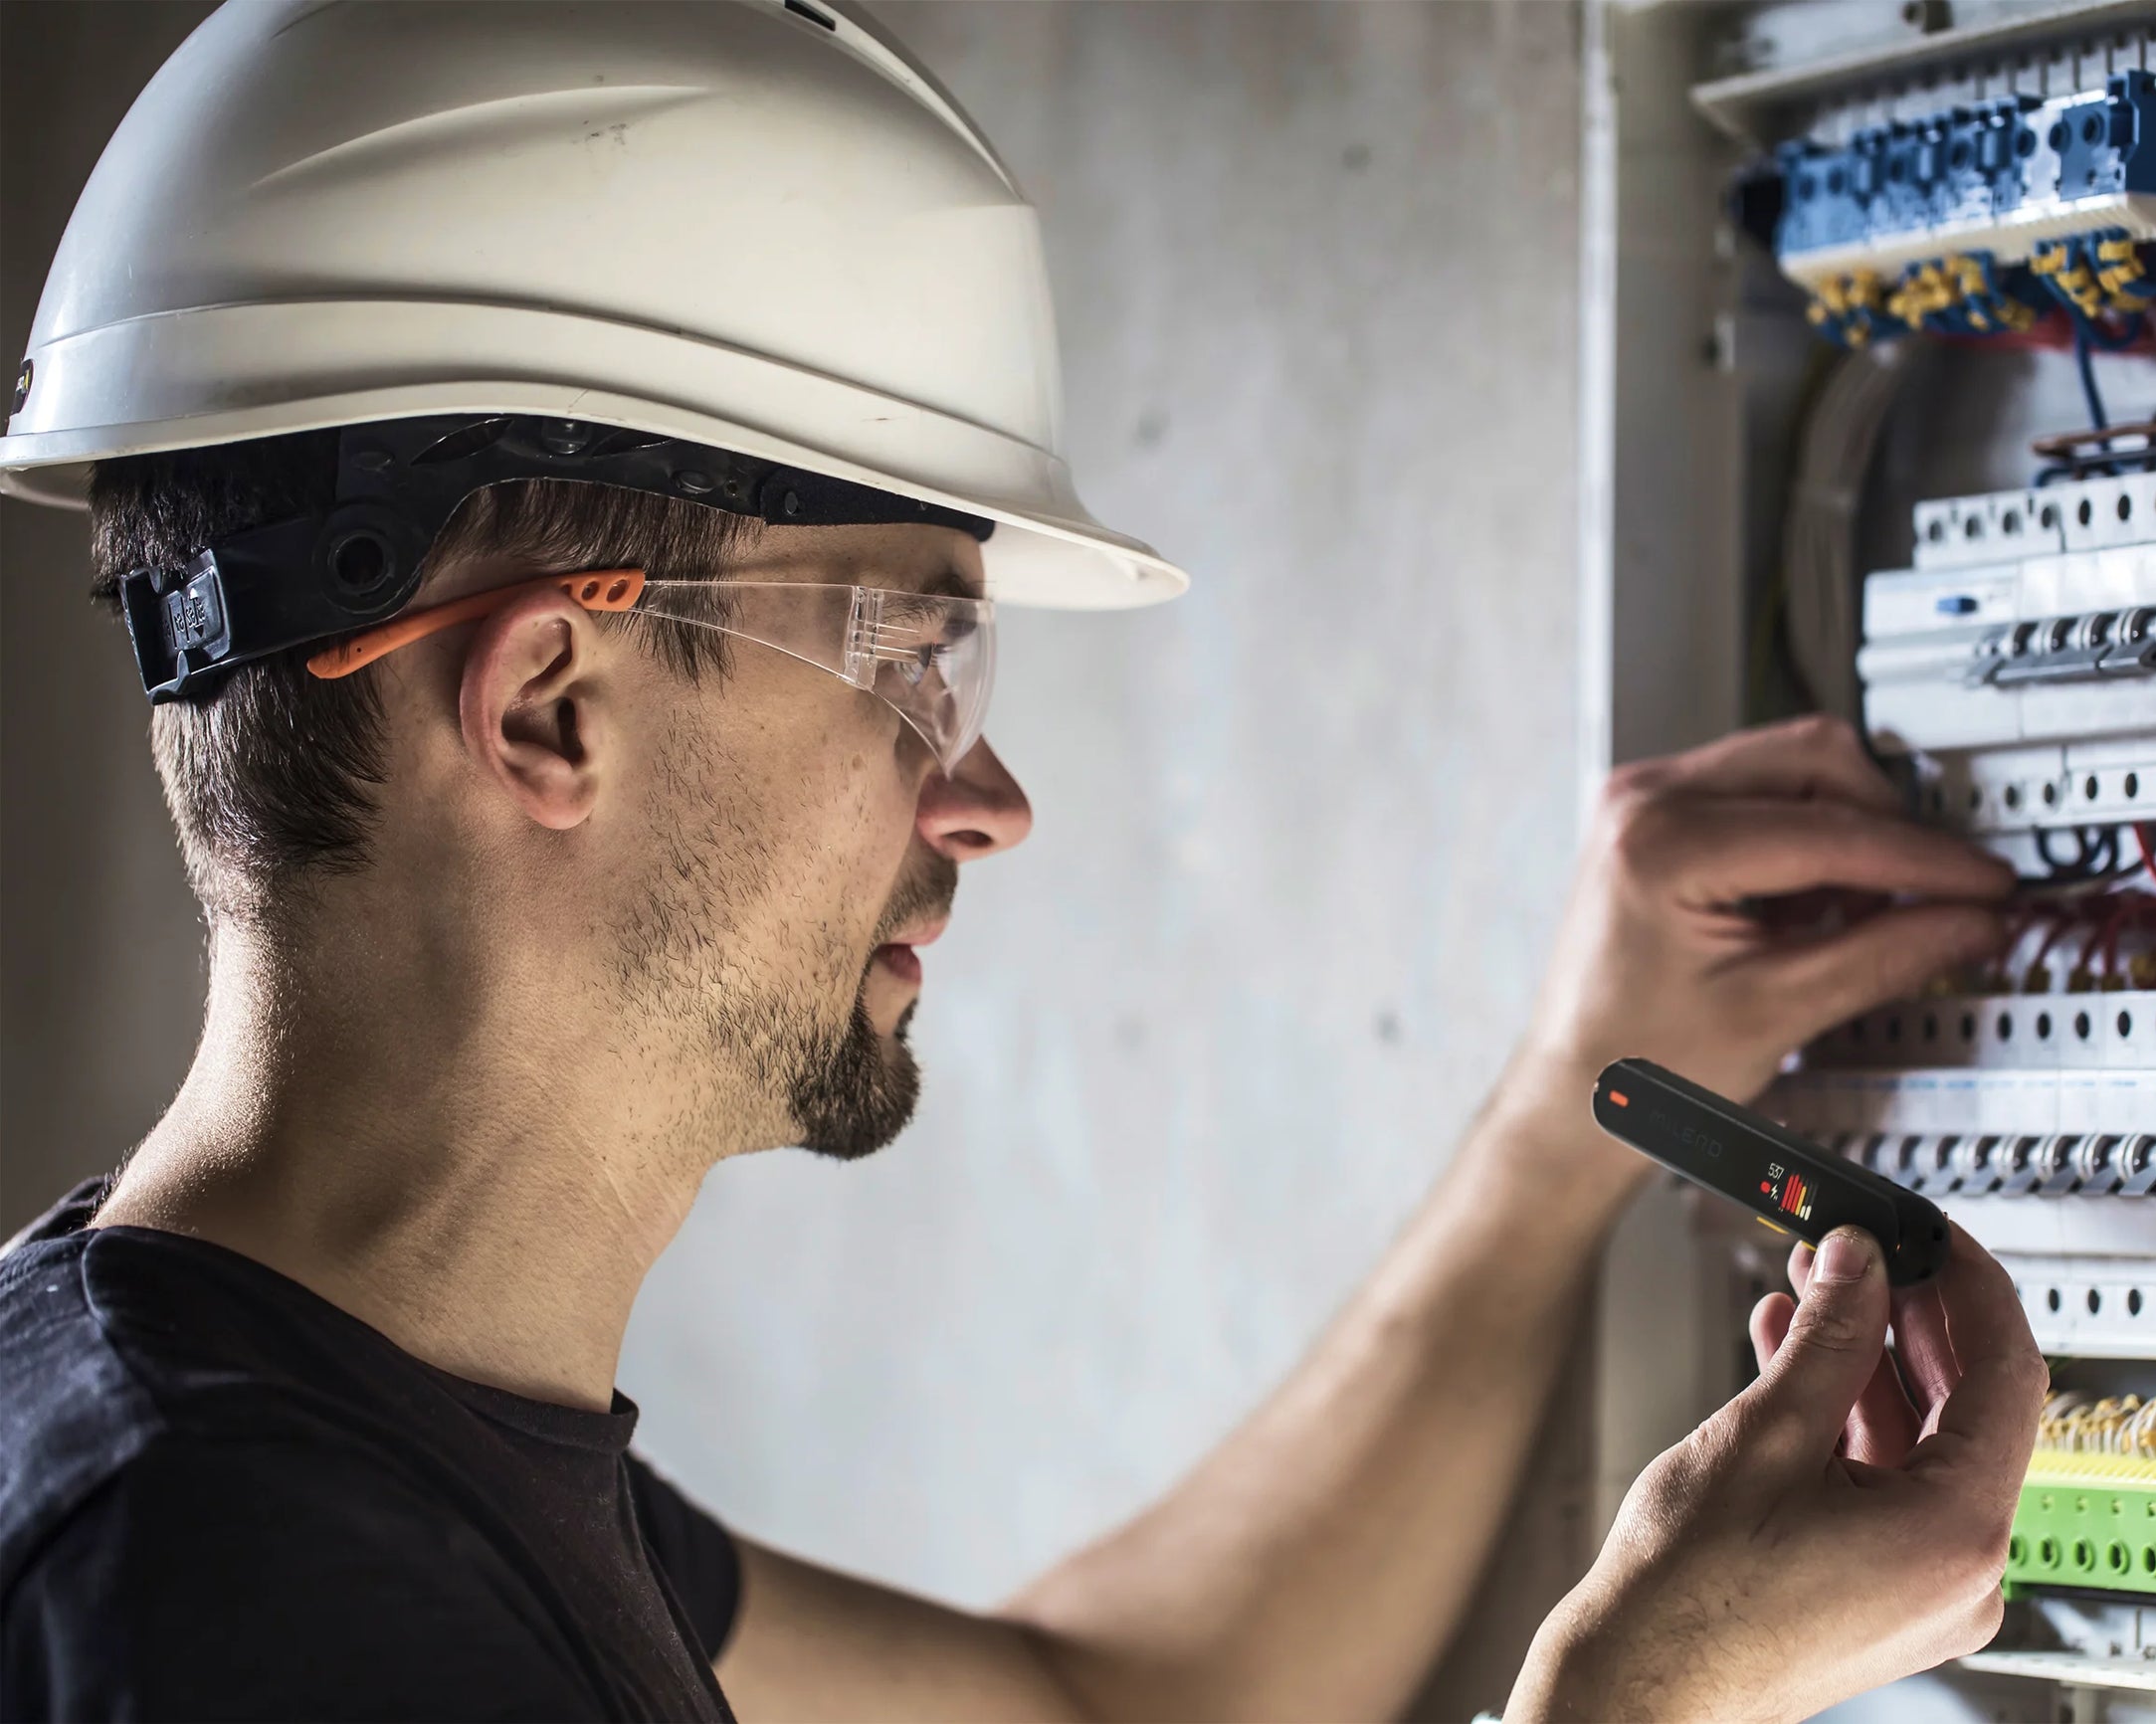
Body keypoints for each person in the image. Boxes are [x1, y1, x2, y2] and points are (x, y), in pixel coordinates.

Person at [0, 5, 2044, 1720]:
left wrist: (1567, 1106)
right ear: (551, 708)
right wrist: (1645, 1698)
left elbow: (1103, 1705)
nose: (985, 793)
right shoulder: (237, 1599)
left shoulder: (344, 1448)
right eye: (907, 650)